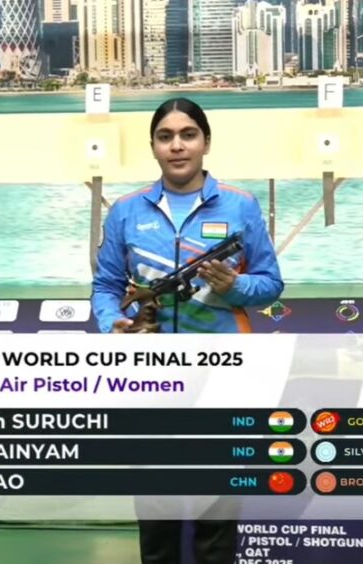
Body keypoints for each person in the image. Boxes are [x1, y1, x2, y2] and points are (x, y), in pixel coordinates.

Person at [91, 97, 284, 563]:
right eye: (166, 137)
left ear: (206, 143)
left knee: (217, 520)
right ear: (154, 147)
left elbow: (271, 284)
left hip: (224, 378)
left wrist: (235, 286)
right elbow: (106, 287)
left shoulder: (240, 205)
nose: (177, 146)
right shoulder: (126, 211)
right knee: (157, 520)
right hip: (150, 378)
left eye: (188, 135)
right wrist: (113, 324)